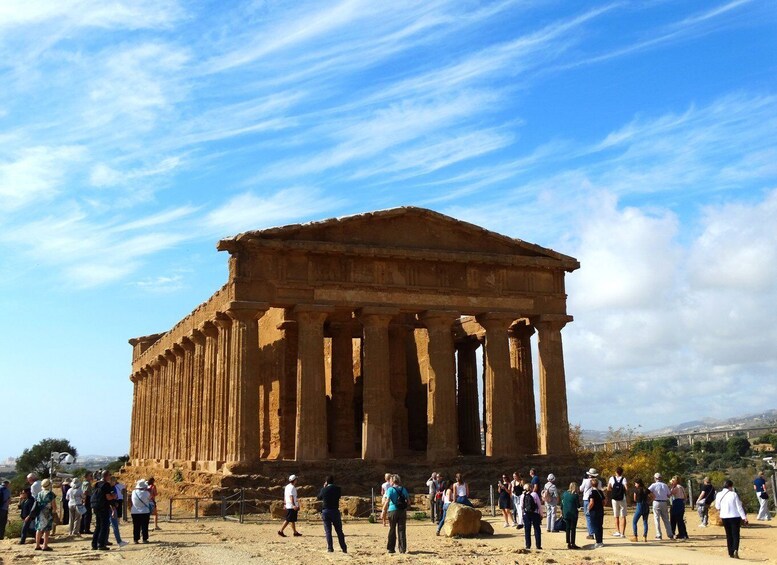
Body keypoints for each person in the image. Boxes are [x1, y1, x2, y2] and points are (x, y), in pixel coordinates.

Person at [716, 479, 748, 559]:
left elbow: (717, 506)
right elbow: (739, 507)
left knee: (728, 534)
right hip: (735, 516)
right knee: (736, 534)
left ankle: (730, 552)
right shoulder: (734, 494)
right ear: (730, 486)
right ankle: (735, 549)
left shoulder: (719, 494)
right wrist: (744, 517)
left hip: (724, 517)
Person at [317, 475, 347, 553]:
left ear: (326, 482)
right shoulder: (338, 489)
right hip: (335, 511)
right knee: (339, 531)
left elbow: (319, 497)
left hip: (326, 511)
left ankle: (330, 548)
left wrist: (324, 487)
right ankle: (343, 547)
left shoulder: (324, 489)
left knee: (328, 531)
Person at [383, 474, 409, 554]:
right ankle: (402, 549)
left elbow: (387, 501)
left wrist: (383, 511)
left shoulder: (390, 490)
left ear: (393, 481)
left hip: (392, 511)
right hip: (402, 511)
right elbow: (408, 501)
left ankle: (391, 548)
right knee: (401, 530)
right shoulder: (403, 489)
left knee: (392, 529)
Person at [91, 470, 117, 551]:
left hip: (96, 506)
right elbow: (108, 497)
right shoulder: (106, 484)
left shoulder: (97, 484)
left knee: (98, 526)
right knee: (104, 526)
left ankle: (94, 544)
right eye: (109, 475)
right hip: (103, 507)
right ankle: (101, 544)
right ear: (107, 476)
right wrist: (114, 497)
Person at [30, 478, 57, 551]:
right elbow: (54, 505)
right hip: (47, 512)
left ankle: (37, 545)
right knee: (46, 530)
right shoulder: (50, 494)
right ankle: (45, 545)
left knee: (39, 529)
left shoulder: (39, 494)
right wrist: (54, 512)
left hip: (39, 513)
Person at [648, 472, 673, 540]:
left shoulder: (653, 485)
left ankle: (659, 535)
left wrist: (651, 496)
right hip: (664, 502)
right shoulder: (665, 485)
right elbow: (669, 494)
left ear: (655, 478)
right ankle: (670, 534)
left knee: (656, 519)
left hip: (656, 502)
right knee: (666, 519)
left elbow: (647, 491)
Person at [522, 482, 544, 550]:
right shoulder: (535, 494)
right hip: (535, 513)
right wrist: (541, 514)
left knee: (527, 530)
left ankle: (528, 545)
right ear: (531, 488)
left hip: (526, 514)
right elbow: (539, 505)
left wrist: (522, 515)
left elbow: (521, 506)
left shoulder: (523, 495)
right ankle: (538, 545)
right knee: (537, 529)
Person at [607, 466, 628, 538]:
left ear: (616, 472)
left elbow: (608, 488)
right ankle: (622, 533)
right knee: (623, 516)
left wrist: (614, 490)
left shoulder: (612, 478)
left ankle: (617, 531)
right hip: (622, 498)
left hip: (615, 499)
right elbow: (626, 488)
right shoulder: (624, 479)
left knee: (616, 516)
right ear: (622, 472)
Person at [130, 479, 152, 543]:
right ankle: (144, 539)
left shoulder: (133, 492)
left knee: (136, 526)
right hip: (144, 511)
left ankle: (136, 539)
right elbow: (150, 498)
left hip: (134, 511)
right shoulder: (146, 493)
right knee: (144, 525)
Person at [560, 481, 580, 549]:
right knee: (573, 528)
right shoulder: (575, 495)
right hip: (573, 513)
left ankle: (568, 543)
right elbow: (578, 505)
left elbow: (562, 504)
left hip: (566, 513)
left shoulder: (564, 493)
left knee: (567, 528)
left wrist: (562, 512)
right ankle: (573, 543)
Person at [579, 468, 598, 539]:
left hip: (587, 499)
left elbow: (581, 489)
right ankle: (596, 532)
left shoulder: (586, 481)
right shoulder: (598, 481)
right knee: (594, 516)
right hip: (596, 499)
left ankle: (591, 533)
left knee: (588, 516)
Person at [669, 475, 689, 540]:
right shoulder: (681, 487)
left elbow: (670, 494)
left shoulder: (676, 487)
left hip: (676, 503)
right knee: (680, 519)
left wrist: (671, 486)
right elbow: (685, 496)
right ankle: (683, 533)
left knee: (674, 519)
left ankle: (675, 533)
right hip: (681, 503)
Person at [588, 477, 605, 548]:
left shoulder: (592, 492)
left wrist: (588, 509)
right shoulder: (600, 492)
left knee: (595, 526)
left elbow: (592, 502)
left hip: (594, 511)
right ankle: (600, 541)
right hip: (600, 510)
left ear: (591, 485)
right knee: (600, 526)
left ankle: (598, 542)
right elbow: (604, 501)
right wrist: (600, 506)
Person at [631, 478, 650, 542]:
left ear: (638, 484)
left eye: (635, 483)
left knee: (634, 522)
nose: (635, 485)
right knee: (645, 522)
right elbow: (653, 496)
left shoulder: (636, 490)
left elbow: (634, 499)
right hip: (646, 506)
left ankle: (635, 536)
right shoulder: (646, 489)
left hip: (639, 506)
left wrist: (637, 501)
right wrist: (649, 501)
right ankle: (645, 536)